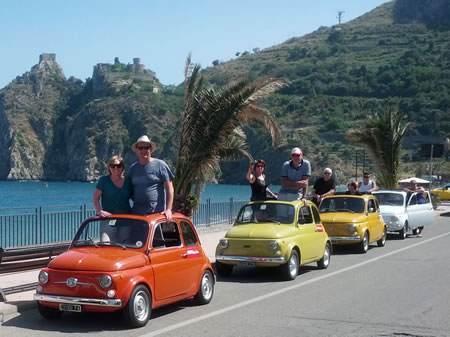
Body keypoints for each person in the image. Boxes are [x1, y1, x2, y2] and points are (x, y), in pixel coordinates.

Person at [128, 135, 174, 220]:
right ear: (137, 150)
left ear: (150, 149)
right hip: (137, 214)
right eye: (140, 148)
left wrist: (168, 209)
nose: (143, 150)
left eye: (146, 147)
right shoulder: (132, 169)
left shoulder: (161, 165)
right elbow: (128, 189)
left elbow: (169, 188)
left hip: (156, 214)